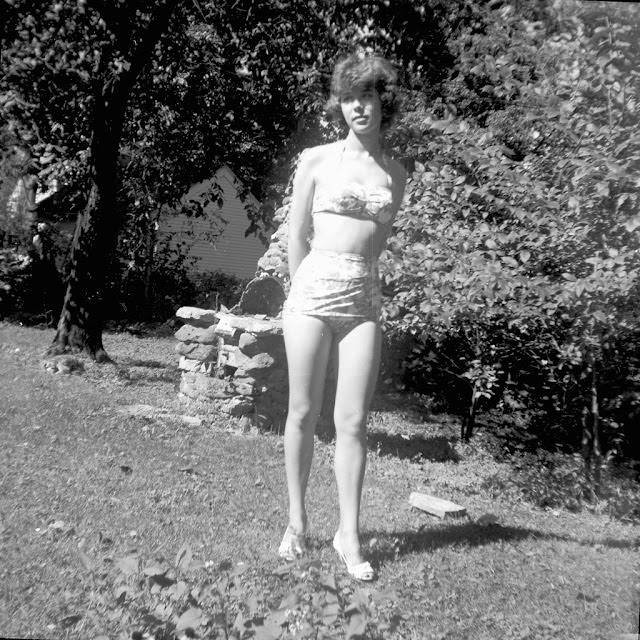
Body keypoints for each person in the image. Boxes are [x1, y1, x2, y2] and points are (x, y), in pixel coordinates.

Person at [278, 52, 407, 581]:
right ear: (341, 104)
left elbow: (378, 241)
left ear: (383, 103)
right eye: (351, 97)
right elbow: (296, 234)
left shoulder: (395, 174)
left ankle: (348, 533)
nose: (359, 106)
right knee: (303, 412)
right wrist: (297, 290)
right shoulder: (315, 159)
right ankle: (296, 522)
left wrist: (362, 281)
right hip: (311, 295)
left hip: (363, 302)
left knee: (353, 421)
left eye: (369, 96)